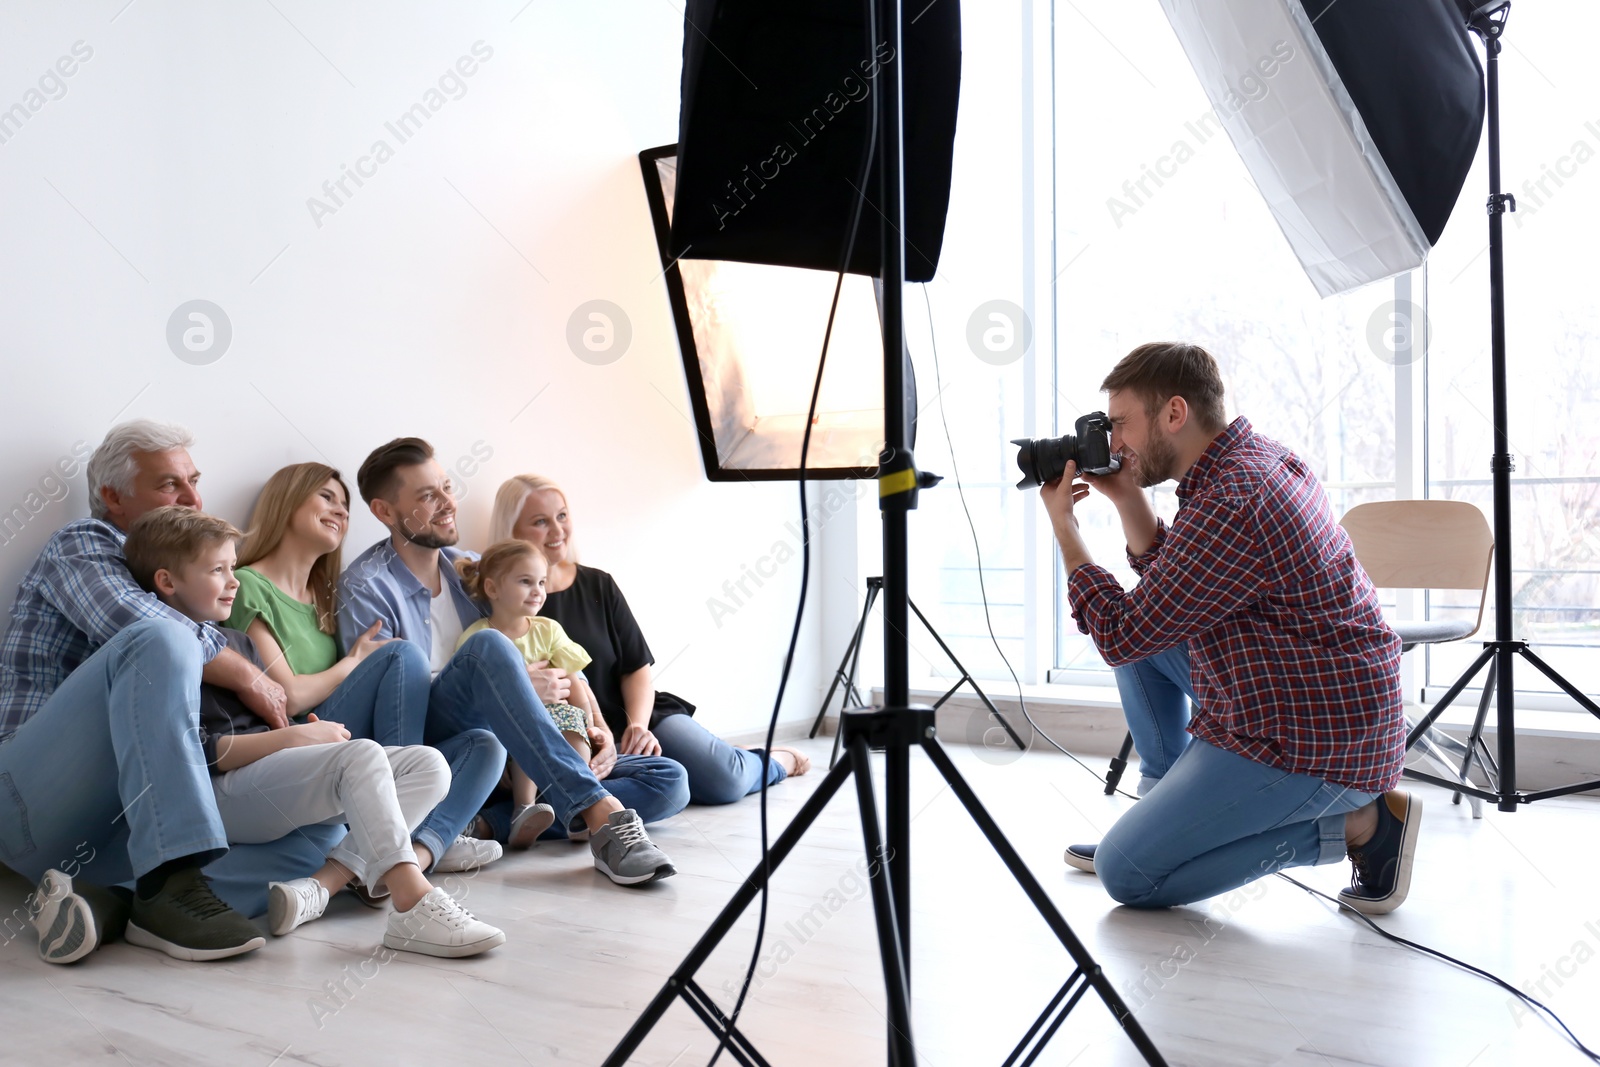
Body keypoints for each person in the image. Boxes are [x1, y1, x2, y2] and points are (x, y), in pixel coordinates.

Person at [1042, 342, 1419, 915]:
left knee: (1129, 874)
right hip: (1292, 687)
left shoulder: (1234, 500)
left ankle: (1361, 825)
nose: (1112, 443)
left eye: (1120, 424)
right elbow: (1177, 592)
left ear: (1174, 413)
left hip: (1314, 737)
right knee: (1147, 648)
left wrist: (1065, 529)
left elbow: (1120, 631)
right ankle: (1160, 814)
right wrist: (1127, 498)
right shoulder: (1248, 462)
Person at [0, 421, 327, 965]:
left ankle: (115, 903)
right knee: (159, 636)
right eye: (170, 485)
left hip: (114, 827)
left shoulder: (181, 582)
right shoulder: (84, 541)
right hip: (27, 798)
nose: (194, 498)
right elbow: (132, 621)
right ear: (113, 497)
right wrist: (249, 675)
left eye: (195, 481)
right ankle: (172, 879)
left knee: (317, 840)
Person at [125, 506, 505, 957]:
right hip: (217, 795)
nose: (234, 580)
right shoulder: (165, 650)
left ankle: (322, 888)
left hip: (266, 779)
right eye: (218, 570)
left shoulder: (236, 644)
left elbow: (273, 724)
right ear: (168, 582)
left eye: (233, 567)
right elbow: (196, 753)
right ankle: (412, 901)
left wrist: (305, 733)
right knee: (361, 755)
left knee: (428, 764)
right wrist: (292, 739)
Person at [337, 438, 686, 886]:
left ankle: (489, 824)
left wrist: (598, 729)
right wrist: (513, 682)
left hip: (510, 748)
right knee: (491, 648)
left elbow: (553, 652)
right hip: (437, 746)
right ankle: (601, 817)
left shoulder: (472, 568)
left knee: (669, 779)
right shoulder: (366, 586)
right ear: (386, 512)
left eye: (446, 487)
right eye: (428, 496)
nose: (448, 503)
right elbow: (394, 696)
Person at [228, 462, 506, 882]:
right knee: (404, 655)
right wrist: (351, 663)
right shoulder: (249, 585)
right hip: (300, 737)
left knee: (485, 746)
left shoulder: (322, 597)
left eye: (345, 506)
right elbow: (289, 697)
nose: (340, 511)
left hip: (343, 738)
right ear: (285, 502)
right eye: (326, 498)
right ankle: (401, 834)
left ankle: (423, 841)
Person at [489, 474, 810, 808]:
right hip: (572, 737)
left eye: (562, 516)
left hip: (633, 716)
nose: (557, 531)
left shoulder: (599, 585)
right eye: (541, 522)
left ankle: (773, 761)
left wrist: (638, 726)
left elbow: (635, 667)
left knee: (722, 780)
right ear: (511, 532)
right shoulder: (498, 602)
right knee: (568, 794)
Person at [455, 540, 605, 849]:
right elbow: (470, 696)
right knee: (529, 728)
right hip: (508, 728)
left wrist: (590, 724)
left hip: (559, 722)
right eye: (525, 582)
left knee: (572, 727)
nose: (538, 590)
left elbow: (573, 680)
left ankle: (581, 805)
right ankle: (523, 811)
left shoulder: (547, 630)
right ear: (493, 589)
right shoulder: (479, 638)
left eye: (541, 582)